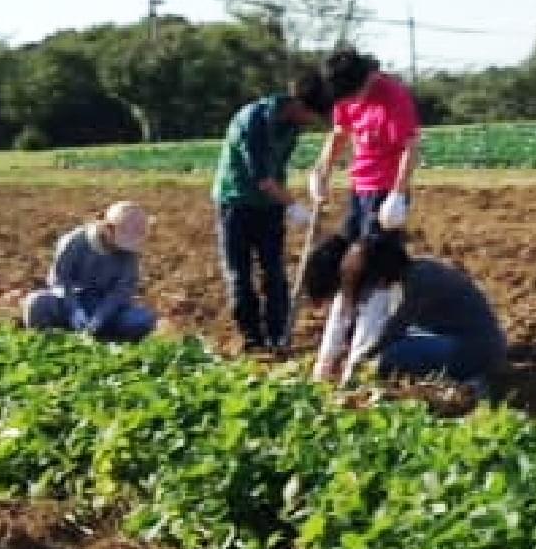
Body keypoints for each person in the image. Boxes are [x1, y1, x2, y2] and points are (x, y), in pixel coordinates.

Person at [305, 231, 506, 393]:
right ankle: (464, 378)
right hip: (469, 343)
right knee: (398, 348)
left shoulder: (420, 281)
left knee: (390, 356)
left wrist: (358, 363)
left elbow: (393, 330)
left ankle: (471, 381)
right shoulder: (417, 273)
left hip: (477, 349)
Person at [212, 83, 326, 355]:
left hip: (270, 206)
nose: (312, 123)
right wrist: (295, 207)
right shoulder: (254, 121)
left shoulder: (292, 124)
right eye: (311, 116)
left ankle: (278, 336)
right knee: (240, 274)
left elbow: (278, 171)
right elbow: (263, 179)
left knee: (275, 271)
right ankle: (252, 339)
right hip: (236, 202)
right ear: (298, 105)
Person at [308, 46, 423, 241]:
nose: (352, 100)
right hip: (359, 185)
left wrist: (397, 195)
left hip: (385, 188)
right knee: (348, 245)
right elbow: (339, 134)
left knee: (373, 255)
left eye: (354, 95)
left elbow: (409, 147)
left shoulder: (394, 96)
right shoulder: (344, 94)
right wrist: (322, 171)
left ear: (365, 78)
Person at [20, 201, 157, 343]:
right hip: (68, 302)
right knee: (36, 302)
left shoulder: (129, 253)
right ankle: (47, 340)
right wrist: (74, 310)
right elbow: (60, 281)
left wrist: (99, 318)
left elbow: (121, 291)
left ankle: (103, 338)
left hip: (103, 306)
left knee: (143, 318)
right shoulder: (74, 241)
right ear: (107, 228)